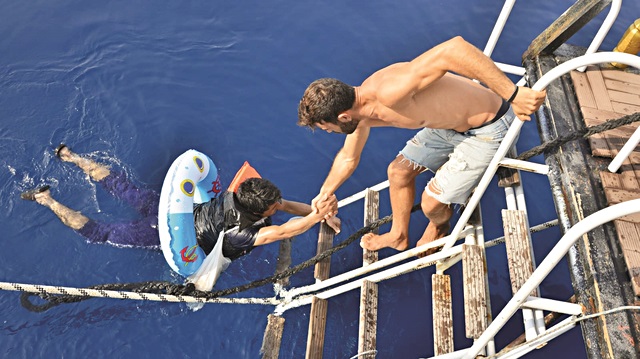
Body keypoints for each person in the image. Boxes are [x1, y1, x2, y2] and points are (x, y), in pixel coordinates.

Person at [297, 36, 546, 256]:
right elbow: (348, 158)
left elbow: (453, 49)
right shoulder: (360, 110)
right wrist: (325, 192)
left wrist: (514, 94)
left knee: (431, 204)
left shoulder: (387, 91)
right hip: (449, 127)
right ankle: (398, 236)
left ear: (343, 117)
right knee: (398, 171)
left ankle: (439, 225)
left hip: (488, 129)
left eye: (327, 128)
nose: (329, 132)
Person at [20, 144, 340, 261]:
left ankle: (70, 156)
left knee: (121, 186)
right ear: (259, 211)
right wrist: (316, 217)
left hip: (172, 208)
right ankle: (46, 200)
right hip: (165, 235)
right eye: (274, 208)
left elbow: (283, 206)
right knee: (100, 233)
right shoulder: (243, 234)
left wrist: (318, 212)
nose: (278, 206)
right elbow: (283, 232)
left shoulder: (242, 195)